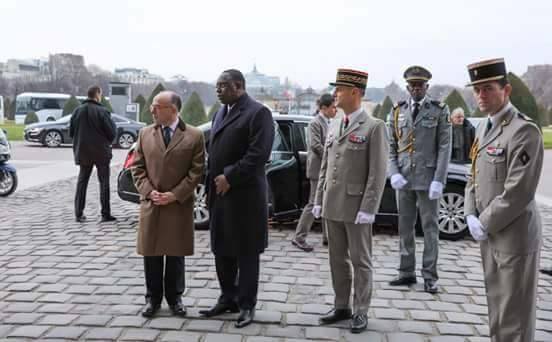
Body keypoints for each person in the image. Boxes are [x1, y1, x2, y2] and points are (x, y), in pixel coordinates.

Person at [464, 58, 543, 342]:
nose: (481, 96)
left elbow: (519, 191)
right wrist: (470, 212)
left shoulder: (523, 130)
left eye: (487, 89)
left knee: (515, 315)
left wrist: (483, 221)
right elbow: (473, 174)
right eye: (477, 90)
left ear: (506, 90)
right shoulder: (484, 128)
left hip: (514, 235)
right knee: (497, 305)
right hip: (491, 233)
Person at [312, 69, 388, 333]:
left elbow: (377, 173)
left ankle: (361, 310)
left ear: (355, 92)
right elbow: (325, 165)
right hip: (333, 204)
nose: (335, 94)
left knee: (360, 260)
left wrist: (369, 208)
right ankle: (341, 305)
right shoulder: (334, 123)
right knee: (336, 259)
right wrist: (319, 198)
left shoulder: (374, 127)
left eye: (340, 90)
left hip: (357, 207)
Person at [199, 69, 274, 328]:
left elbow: (259, 154)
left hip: (245, 196)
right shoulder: (221, 112)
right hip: (220, 195)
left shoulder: (258, 113)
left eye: (223, 86)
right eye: (217, 86)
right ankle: (227, 297)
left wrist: (229, 176)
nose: (218, 90)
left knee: (246, 253)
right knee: (222, 249)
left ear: (239, 86)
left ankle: (246, 305)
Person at [131, 91, 205, 318]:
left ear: (173, 110)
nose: (151, 110)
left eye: (156, 106)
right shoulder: (144, 134)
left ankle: (175, 298)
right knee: (151, 254)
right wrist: (147, 191)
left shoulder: (194, 136)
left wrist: (175, 194)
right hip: (151, 203)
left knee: (175, 254)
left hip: (177, 205)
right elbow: (137, 168)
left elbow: (196, 171)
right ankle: (152, 299)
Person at [387, 66, 451, 294]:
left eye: (420, 85)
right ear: (407, 87)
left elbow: (444, 147)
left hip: (427, 179)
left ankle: (430, 276)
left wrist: (439, 179)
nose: (416, 89)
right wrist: (392, 172)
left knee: (430, 229)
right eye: (412, 85)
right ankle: (406, 272)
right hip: (403, 178)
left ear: (427, 87)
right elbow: (391, 146)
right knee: (404, 227)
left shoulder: (439, 110)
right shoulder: (396, 111)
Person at [291, 93, 337, 251]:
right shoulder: (315, 123)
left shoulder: (328, 122)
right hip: (318, 170)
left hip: (326, 169)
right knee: (313, 203)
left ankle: (327, 238)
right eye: (332, 107)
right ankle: (299, 238)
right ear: (323, 108)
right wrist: (334, 156)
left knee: (326, 203)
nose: (335, 109)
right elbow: (316, 146)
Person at [69, 85, 117, 223]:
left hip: (83, 151)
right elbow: (112, 133)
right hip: (101, 151)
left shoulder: (77, 111)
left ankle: (78, 213)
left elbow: (71, 132)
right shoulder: (103, 111)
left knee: (82, 181)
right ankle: (105, 213)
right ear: (97, 94)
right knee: (104, 183)